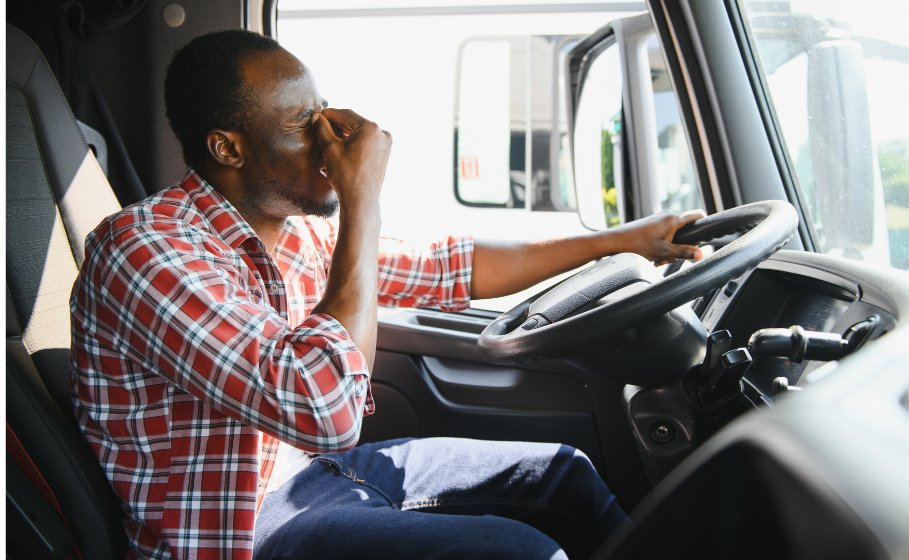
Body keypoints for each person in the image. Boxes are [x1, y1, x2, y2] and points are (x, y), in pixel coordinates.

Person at [70, 29, 705, 560]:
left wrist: (626, 241)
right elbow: (327, 409)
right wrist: (360, 197)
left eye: (324, 113)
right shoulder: (146, 250)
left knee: (563, 474)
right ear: (226, 148)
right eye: (302, 124)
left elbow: (450, 266)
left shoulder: (295, 235)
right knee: (517, 553)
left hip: (306, 477)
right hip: (235, 531)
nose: (329, 142)